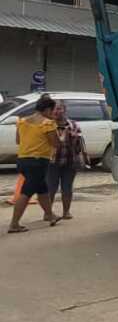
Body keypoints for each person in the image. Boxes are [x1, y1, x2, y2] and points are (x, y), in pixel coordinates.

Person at [7, 94, 62, 233]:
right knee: (26, 192)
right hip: (38, 161)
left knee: (42, 189)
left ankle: (49, 215)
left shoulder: (23, 121)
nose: (53, 113)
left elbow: (18, 141)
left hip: (23, 160)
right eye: (52, 110)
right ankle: (14, 224)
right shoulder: (47, 123)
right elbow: (55, 143)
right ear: (48, 109)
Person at [47, 101, 85, 220]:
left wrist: (72, 137)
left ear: (64, 110)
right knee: (51, 187)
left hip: (70, 161)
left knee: (67, 187)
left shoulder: (73, 125)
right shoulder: (48, 125)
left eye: (59, 109)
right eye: (54, 109)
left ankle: (66, 212)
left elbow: (79, 145)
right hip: (52, 162)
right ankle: (48, 213)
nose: (57, 112)